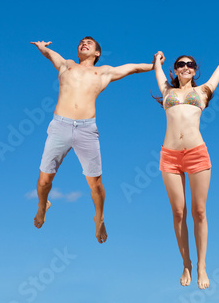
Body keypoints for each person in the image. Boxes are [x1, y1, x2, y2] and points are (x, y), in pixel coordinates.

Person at [31, 37, 160, 243]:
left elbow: (133, 68)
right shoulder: (66, 65)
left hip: (86, 130)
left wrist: (156, 65)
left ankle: (99, 217)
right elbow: (49, 54)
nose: (84, 43)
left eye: (89, 43)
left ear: (97, 53)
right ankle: (42, 206)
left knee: (96, 184)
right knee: (44, 181)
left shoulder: (104, 72)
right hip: (60, 126)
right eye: (81, 42)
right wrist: (41, 47)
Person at [152, 40, 219, 289]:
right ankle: (186, 263)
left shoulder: (204, 91)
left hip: (196, 153)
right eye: (181, 64)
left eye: (190, 64)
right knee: (178, 212)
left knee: (200, 212)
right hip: (170, 156)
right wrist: (158, 60)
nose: (186, 67)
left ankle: (202, 265)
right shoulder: (167, 92)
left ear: (195, 70)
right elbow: (158, 71)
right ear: (175, 70)